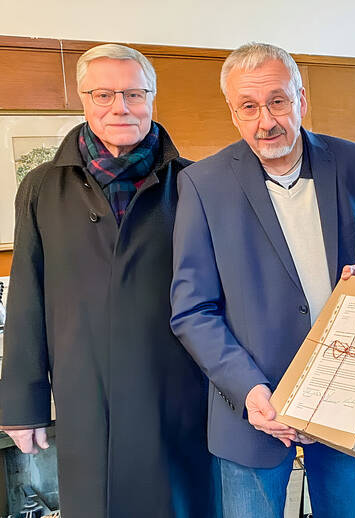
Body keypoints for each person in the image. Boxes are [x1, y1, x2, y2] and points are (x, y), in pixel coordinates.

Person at [169, 42, 355, 518]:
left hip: (344, 393)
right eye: (248, 107)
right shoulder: (202, 185)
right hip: (252, 404)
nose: (265, 121)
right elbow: (192, 310)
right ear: (233, 112)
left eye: (277, 101)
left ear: (301, 99)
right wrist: (250, 389)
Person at [0, 44, 219, 518]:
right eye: (104, 94)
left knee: (181, 505)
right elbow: (26, 300)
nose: (120, 107)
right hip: (85, 392)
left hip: (176, 389)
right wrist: (22, 403)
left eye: (134, 94)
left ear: (152, 99)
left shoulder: (195, 183)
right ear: (83, 99)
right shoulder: (41, 187)